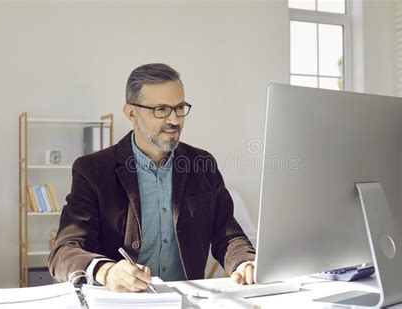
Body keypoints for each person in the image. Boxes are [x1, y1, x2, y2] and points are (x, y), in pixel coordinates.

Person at [49, 63, 256, 292]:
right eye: (161, 110)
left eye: (179, 108)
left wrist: (244, 262)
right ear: (131, 113)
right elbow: (64, 251)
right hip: (120, 303)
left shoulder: (202, 164)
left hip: (186, 301)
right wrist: (106, 272)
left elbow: (226, 233)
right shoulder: (92, 171)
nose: (174, 120)